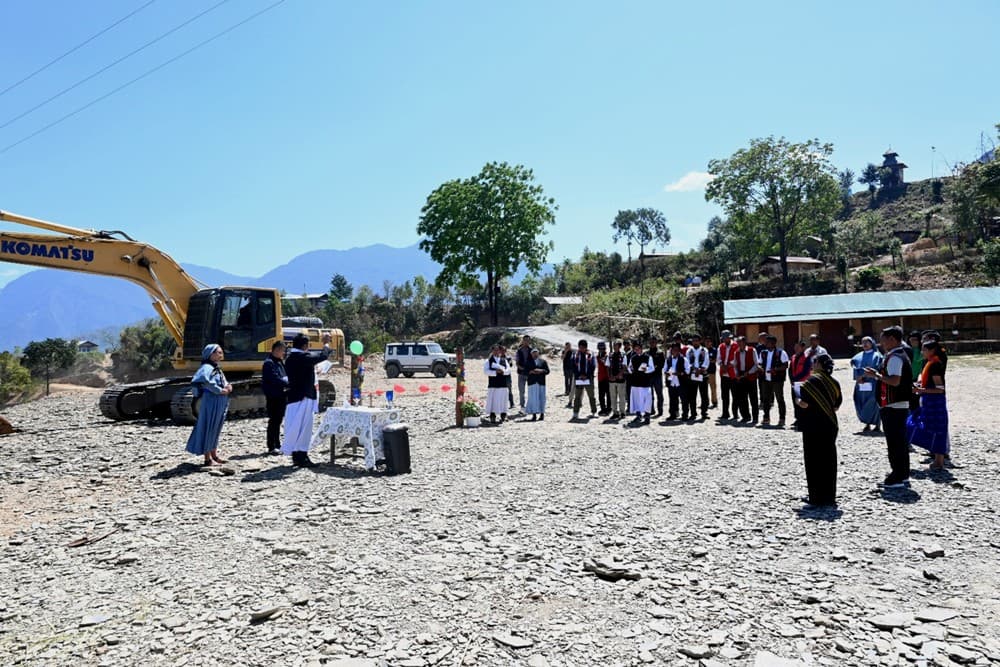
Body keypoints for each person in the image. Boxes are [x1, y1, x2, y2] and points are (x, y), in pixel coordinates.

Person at [864, 326, 912, 488]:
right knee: (899, 441)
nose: (881, 342)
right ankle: (903, 473)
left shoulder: (895, 357)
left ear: (892, 339)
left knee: (895, 442)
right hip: (897, 404)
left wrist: (876, 376)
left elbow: (894, 380)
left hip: (894, 405)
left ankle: (897, 476)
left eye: (884, 339)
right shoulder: (898, 355)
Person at [793, 353, 842, 508]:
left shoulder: (811, 381)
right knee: (829, 461)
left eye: (814, 362)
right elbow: (836, 405)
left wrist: (797, 400)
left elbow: (804, 404)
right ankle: (829, 496)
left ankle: (816, 497)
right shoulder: (835, 382)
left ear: (820, 364)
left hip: (813, 426)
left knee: (814, 461)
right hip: (830, 425)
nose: (812, 365)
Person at [281, 333, 332, 467]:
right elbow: (323, 356)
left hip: (294, 396)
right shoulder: (301, 357)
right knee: (304, 427)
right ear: (305, 346)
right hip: (303, 396)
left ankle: (296, 455)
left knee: (295, 426)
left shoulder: (291, 357)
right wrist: (326, 344)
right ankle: (302, 455)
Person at [185, 344, 232, 466]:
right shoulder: (206, 367)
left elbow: (223, 381)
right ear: (211, 354)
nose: (221, 354)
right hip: (211, 400)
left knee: (216, 427)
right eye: (219, 352)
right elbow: (206, 382)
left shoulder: (216, 367)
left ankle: (214, 454)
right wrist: (220, 390)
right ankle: (207, 459)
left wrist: (228, 386)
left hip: (219, 401)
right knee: (209, 426)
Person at [907, 340, 949, 470]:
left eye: (924, 350)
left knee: (936, 429)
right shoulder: (929, 363)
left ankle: (939, 461)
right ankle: (937, 459)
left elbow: (940, 388)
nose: (921, 352)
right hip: (928, 401)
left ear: (931, 351)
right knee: (932, 427)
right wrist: (920, 386)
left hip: (935, 402)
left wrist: (920, 390)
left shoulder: (935, 365)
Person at [850, 336, 883, 433]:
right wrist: (858, 378)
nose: (864, 344)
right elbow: (855, 368)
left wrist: (865, 376)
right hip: (861, 385)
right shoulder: (857, 356)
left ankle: (877, 424)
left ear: (871, 343)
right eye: (862, 342)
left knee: (874, 403)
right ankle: (867, 423)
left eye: (866, 342)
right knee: (861, 402)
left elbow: (878, 369)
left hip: (873, 383)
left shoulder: (877, 355)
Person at [261, 341, 288, 455]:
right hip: (273, 396)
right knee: (274, 421)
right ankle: (272, 446)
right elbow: (275, 379)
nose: (283, 353)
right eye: (282, 350)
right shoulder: (269, 363)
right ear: (276, 350)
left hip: (281, 395)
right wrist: (288, 383)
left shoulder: (280, 362)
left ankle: (277, 444)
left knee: (278, 420)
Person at [759, 335, 789, 427]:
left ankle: (782, 419)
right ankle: (766, 417)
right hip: (765, 379)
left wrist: (775, 370)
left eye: (768, 342)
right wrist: (760, 368)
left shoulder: (781, 352)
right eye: (766, 342)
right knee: (766, 399)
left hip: (777, 380)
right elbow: (759, 363)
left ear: (774, 343)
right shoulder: (763, 353)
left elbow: (785, 365)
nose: (766, 343)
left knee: (780, 399)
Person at [627, 339, 655, 424]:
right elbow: (629, 367)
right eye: (635, 349)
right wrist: (630, 369)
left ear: (641, 348)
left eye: (638, 348)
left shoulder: (648, 357)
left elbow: (652, 368)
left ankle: (647, 416)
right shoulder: (633, 358)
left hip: (645, 382)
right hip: (635, 381)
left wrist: (646, 369)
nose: (637, 350)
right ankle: (638, 415)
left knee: (647, 399)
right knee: (636, 399)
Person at [733, 336, 760, 424]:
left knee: (753, 398)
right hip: (741, 377)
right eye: (738, 342)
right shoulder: (736, 352)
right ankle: (745, 416)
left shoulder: (752, 350)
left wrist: (749, 372)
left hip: (751, 377)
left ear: (745, 342)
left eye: (740, 342)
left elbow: (756, 364)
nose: (739, 344)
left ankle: (755, 418)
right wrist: (736, 373)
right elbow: (735, 365)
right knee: (742, 398)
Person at [484, 345, 511, 424]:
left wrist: (503, 372)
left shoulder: (504, 360)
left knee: (503, 399)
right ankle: (493, 415)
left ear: (500, 351)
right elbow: (486, 371)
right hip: (493, 384)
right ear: (492, 351)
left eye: (497, 350)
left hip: (503, 383)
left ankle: (503, 414)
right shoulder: (488, 361)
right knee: (493, 400)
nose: (496, 352)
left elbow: (508, 370)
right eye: (494, 350)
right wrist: (495, 372)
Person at [686, 334, 710, 420]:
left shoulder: (704, 350)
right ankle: (693, 413)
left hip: (702, 374)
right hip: (692, 375)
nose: (695, 342)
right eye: (693, 340)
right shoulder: (689, 351)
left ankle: (704, 412)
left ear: (700, 341)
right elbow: (687, 362)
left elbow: (706, 362)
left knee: (704, 395)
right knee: (692, 395)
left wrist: (700, 370)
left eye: (697, 340)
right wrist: (694, 369)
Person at [788, 340, 812, 430]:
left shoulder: (806, 357)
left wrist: (796, 379)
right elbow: (790, 370)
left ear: (802, 348)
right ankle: (797, 418)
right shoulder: (793, 357)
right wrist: (791, 379)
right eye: (795, 347)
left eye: (797, 347)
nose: (795, 349)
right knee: (795, 401)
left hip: (803, 383)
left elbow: (806, 371)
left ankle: (804, 419)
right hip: (794, 383)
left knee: (803, 401)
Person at [571, 339, 597, 419]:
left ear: (586, 347)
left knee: (591, 396)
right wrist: (579, 375)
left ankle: (593, 411)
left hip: (588, 378)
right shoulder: (575, 355)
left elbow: (593, 366)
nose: (581, 349)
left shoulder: (591, 355)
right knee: (577, 396)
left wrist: (586, 376)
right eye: (580, 347)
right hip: (579, 379)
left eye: (583, 347)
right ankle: (575, 412)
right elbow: (573, 366)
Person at [664, 342, 690, 420]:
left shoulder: (684, 359)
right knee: (672, 399)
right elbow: (664, 369)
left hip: (681, 382)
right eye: (673, 350)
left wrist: (680, 373)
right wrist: (667, 373)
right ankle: (673, 414)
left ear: (679, 351)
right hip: (671, 382)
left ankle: (685, 415)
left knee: (684, 399)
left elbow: (688, 370)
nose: (674, 351)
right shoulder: (668, 359)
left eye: (676, 350)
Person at [717, 331, 738, 420]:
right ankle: (725, 413)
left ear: (730, 338)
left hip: (733, 374)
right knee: (724, 395)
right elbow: (718, 358)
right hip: (724, 374)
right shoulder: (721, 346)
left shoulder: (736, 345)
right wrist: (722, 365)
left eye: (727, 338)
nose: (725, 340)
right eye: (724, 338)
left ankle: (735, 413)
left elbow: (736, 358)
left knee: (735, 395)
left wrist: (729, 365)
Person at [525, 348, 550, 421]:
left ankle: (542, 414)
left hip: (541, 382)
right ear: (531, 354)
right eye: (533, 353)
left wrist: (541, 371)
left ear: (538, 354)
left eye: (536, 353)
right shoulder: (528, 362)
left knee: (541, 398)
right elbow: (524, 371)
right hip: (532, 382)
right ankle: (534, 415)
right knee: (533, 399)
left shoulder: (543, 362)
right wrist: (531, 372)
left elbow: (547, 371)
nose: (535, 354)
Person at [606, 340, 627, 419]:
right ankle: (615, 412)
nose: (615, 347)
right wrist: (610, 376)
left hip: (620, 379)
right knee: (613, 396)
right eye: (614, 345)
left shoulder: (623, 355)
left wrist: (619, 375)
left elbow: (624, 366)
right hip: (612, 380)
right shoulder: (610, 355)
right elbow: (607, 366)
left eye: (616, 345)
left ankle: (622, 412)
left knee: (622, 397)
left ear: (619, 346)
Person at [648, 337, 666, 417]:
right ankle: (651, 409)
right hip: (649, 376)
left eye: (653, 342)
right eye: (651, 342)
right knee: (650, 395)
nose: (652, 343)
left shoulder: (660, 352)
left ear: (656, 343)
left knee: (659, 394)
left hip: (657, 376)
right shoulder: (647, 353)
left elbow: (662, 364)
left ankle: (660, 409)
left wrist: (655, 368)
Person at [515, 335, 533, 411]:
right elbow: (517, 363)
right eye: (525, 340)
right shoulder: (519, 351)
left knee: (531, 390)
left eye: (528, 340)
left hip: (530, 374)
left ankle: (530, 405)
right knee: (521, 391)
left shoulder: (532, 350)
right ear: (523, 341)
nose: (526, 342)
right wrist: (522, 369)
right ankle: (522, 406)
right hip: (521, 373)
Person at [596, 341, 610, 415]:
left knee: (608, 394)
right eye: (600, 349)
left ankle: (608, 408)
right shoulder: (598, 356)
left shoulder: (608, 356)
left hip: (607, 377)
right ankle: (603, 408)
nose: (601, 350)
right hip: (601, 377)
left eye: (602, 348)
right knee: (601, 395)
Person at [704, 336, 718, 409]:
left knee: (713, 387)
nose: (707, 343)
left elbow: (715, 360)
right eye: (706, 342)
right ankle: (705, 402)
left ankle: (714, 401)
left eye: (708, 342)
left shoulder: (714, 350)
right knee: (704, 388)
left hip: (712, 371)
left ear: (711, 342)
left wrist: (708, 361)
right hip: (704, 372)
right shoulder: (703, 350)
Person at [501, 345, 515, 410]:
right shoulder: (497, 358)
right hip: (500, 377)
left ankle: (512, 403)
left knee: (509, 390)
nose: (503, 352)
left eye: (504, 350)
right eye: (502, 350)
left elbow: (511, 365)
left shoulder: (508, 358)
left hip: (507, 376)